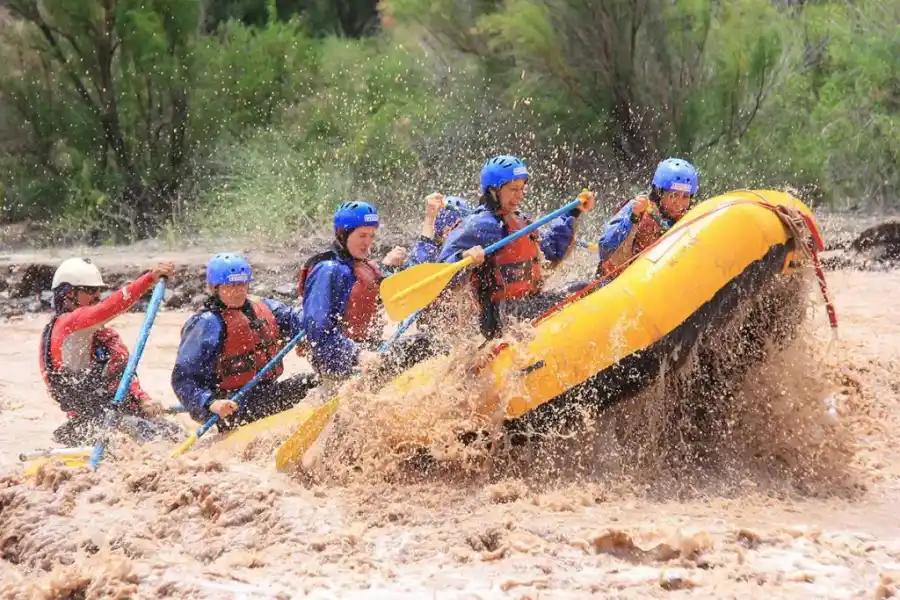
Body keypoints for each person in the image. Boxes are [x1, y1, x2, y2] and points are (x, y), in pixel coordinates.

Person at [437, 155, 596, 339]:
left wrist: (573, 212)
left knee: (583, 287)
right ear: (493, 191)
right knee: (571, 299)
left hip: (527, 303)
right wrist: (464, 257)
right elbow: (443, 271)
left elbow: (551, 251)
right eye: (513, 189)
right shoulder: (477, 225)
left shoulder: (519, 219)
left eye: (522, 189)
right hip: (499, 315)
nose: (520, 195)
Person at [40, 257, 180, 446]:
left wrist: (143, 400)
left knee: (174, 433)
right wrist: (149, 279)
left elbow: (122, 373)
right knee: (159, 442)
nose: (97, 296)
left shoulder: (98, 335)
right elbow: (109, 307)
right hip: (92, 424)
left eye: (98, 290)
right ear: (68, 294)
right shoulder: (68, 325)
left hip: (114, 414)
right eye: (89, 291)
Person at [171, 253, 319, 429]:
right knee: (311, 384)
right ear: (214, 288)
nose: (238, 291)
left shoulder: (265, 307)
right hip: (233, 407)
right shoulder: (206, 324)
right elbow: (183, 379)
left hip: (267, 392)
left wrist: (324, 310)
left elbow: (302, 321)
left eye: (242, 284)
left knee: (318, 379)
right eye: (230, 286)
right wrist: (210, 404)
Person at [298, 201, 429, 384]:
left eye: (371, 236)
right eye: (362, 235)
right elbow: (318, 331)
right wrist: (358, 355)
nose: (368, 243)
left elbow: (408, 286)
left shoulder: (364, 267)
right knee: (427, 345)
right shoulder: (328, 270)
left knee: (428, 343)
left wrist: (429, 221)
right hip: (341, 362)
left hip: (368, 349)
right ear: (342, 234)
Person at [596, 157, 698, 279]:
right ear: (659, 193)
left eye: (685, 197)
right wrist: (633, 219)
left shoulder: (689, 217)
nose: (679, 203)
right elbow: (605, 250)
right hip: (617, 283)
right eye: (673, 195)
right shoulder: (638, 208)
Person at [407, 193, 472, 267]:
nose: (451, 234)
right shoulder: (428, 250)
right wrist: (430, 219)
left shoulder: (469, 249)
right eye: (450, 228)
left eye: (458, 228)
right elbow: (419, 267)